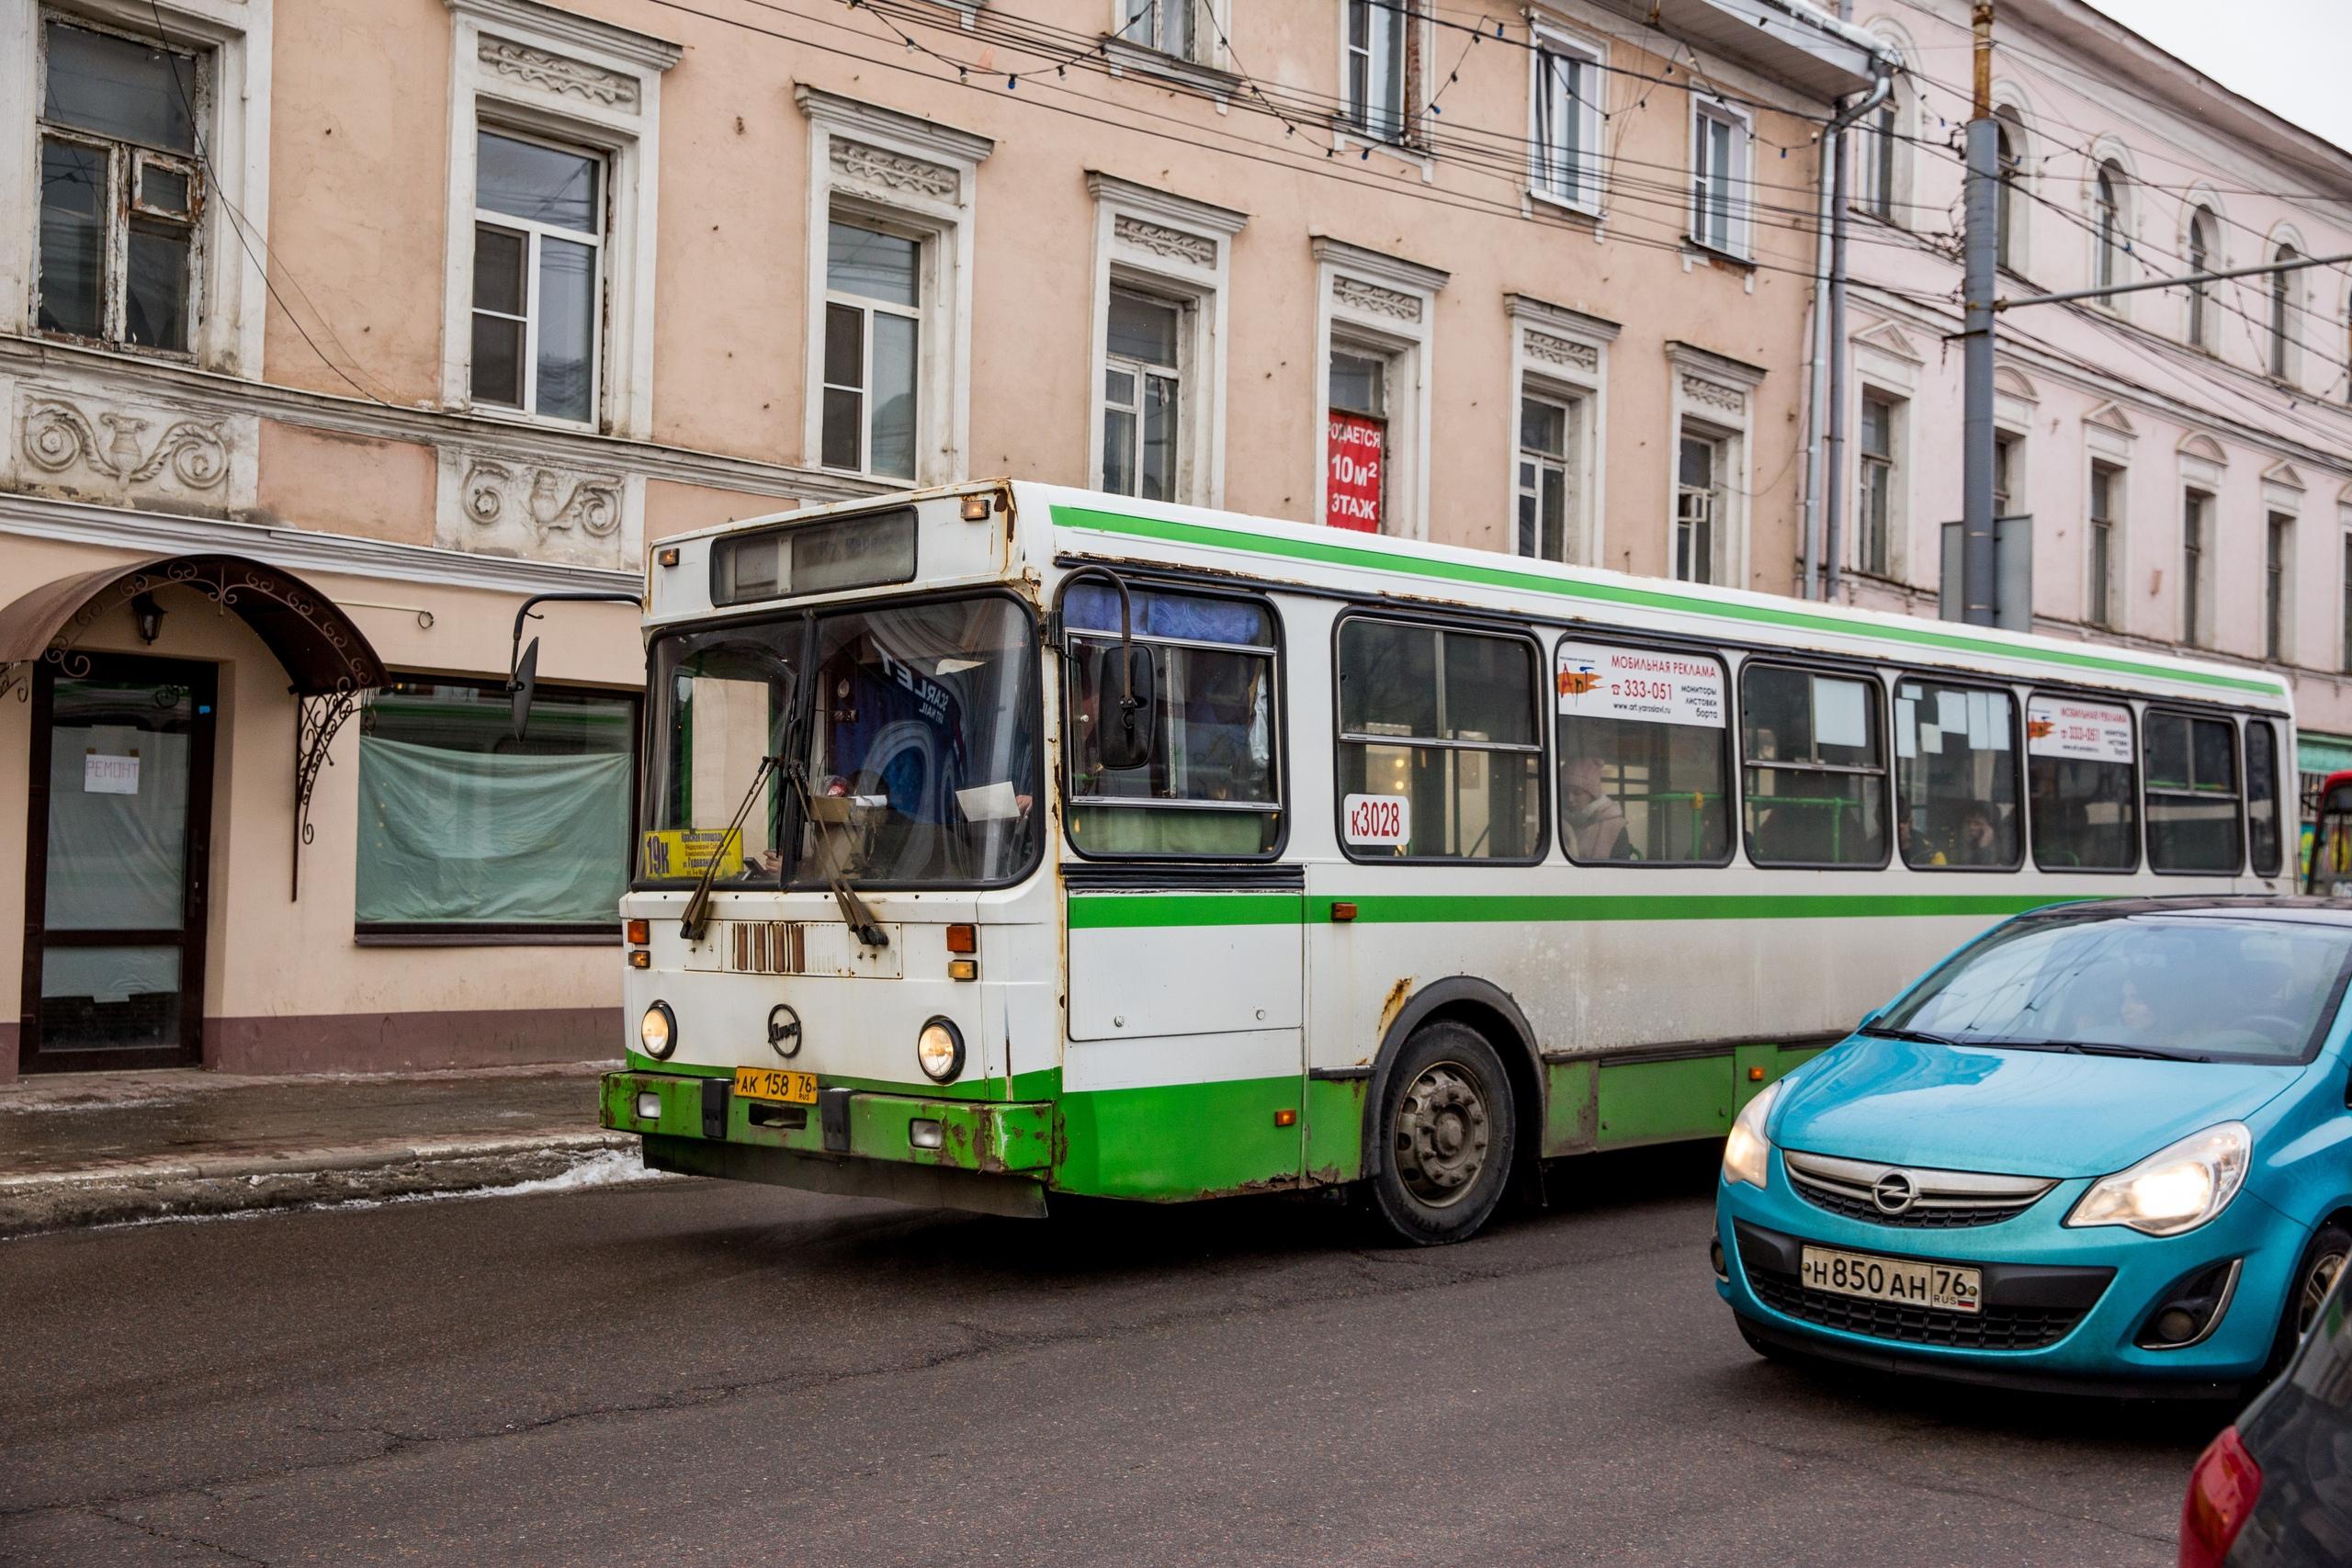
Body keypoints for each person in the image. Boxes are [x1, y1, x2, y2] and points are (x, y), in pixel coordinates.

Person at [1562, 757, 1633, 861]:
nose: (1570, 799)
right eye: (1565, 792)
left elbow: (1620, 871)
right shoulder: (1559, 822)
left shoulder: (1615, 827)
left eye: (1577, 793)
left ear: (1592, 795)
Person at [1952, 801, 2004, 866]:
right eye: (1968, 822)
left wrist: (1984, 847)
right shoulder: (1963, 845)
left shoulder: (2000, 851)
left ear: (1989, 829)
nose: (1971, 827)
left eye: (1977, 823)